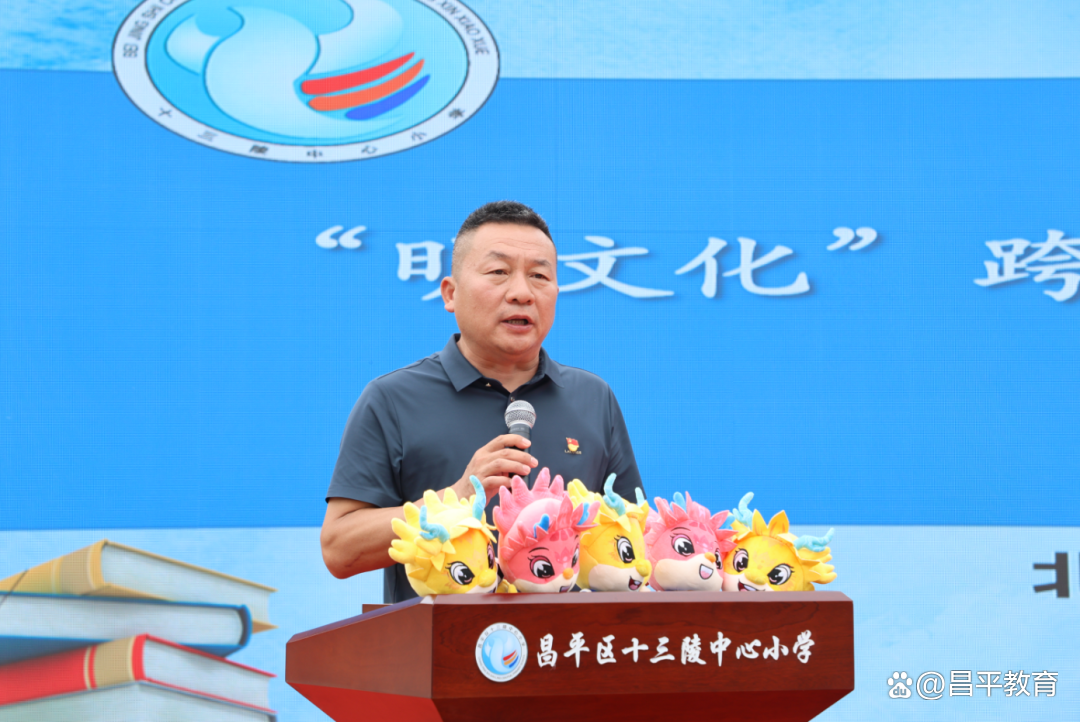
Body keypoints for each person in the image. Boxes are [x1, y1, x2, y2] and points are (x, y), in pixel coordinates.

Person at [320, 201, 644, 603]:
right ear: (451, 293)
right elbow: (339, 549)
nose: (522, 293)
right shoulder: (392, 399)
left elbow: (631, 538)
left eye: (539, 276)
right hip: (443, 641)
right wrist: (455, 497)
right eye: (498, 272)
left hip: (568, 639)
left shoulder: (593, 397)